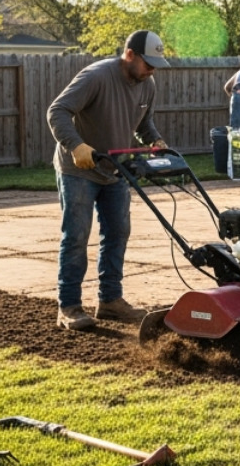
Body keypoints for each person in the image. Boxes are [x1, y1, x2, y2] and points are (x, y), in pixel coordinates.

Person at [46, 30, 167, 331]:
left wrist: (155, 141)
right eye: (148, 62)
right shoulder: (96, 76)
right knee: (76, 235)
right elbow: (57, 111)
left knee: (118, 233)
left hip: (114, 170)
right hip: (79, 170)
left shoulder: (147, 84)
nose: (152, 69)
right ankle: (69, 306)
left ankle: (111, 301)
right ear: (130, 55)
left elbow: (144, 121)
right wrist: (76, 146)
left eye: (155, 63)